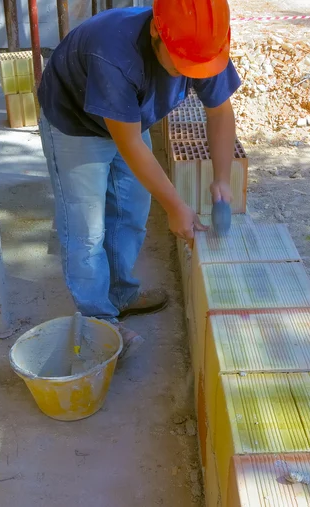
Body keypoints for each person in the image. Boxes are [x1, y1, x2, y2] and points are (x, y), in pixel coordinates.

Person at [37, 0, 241, 359]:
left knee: (131, 210)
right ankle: (98, 324)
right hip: (75, 123)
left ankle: (121, 294)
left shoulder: (202, 42)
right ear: (155, 32)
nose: (189, 74)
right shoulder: (114, 53)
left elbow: (220, 111)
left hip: (129, 117)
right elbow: (128, 142)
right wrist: (177, 207)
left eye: (198, 68)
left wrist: (222, 179)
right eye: (181, 65)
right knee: (86, 228)